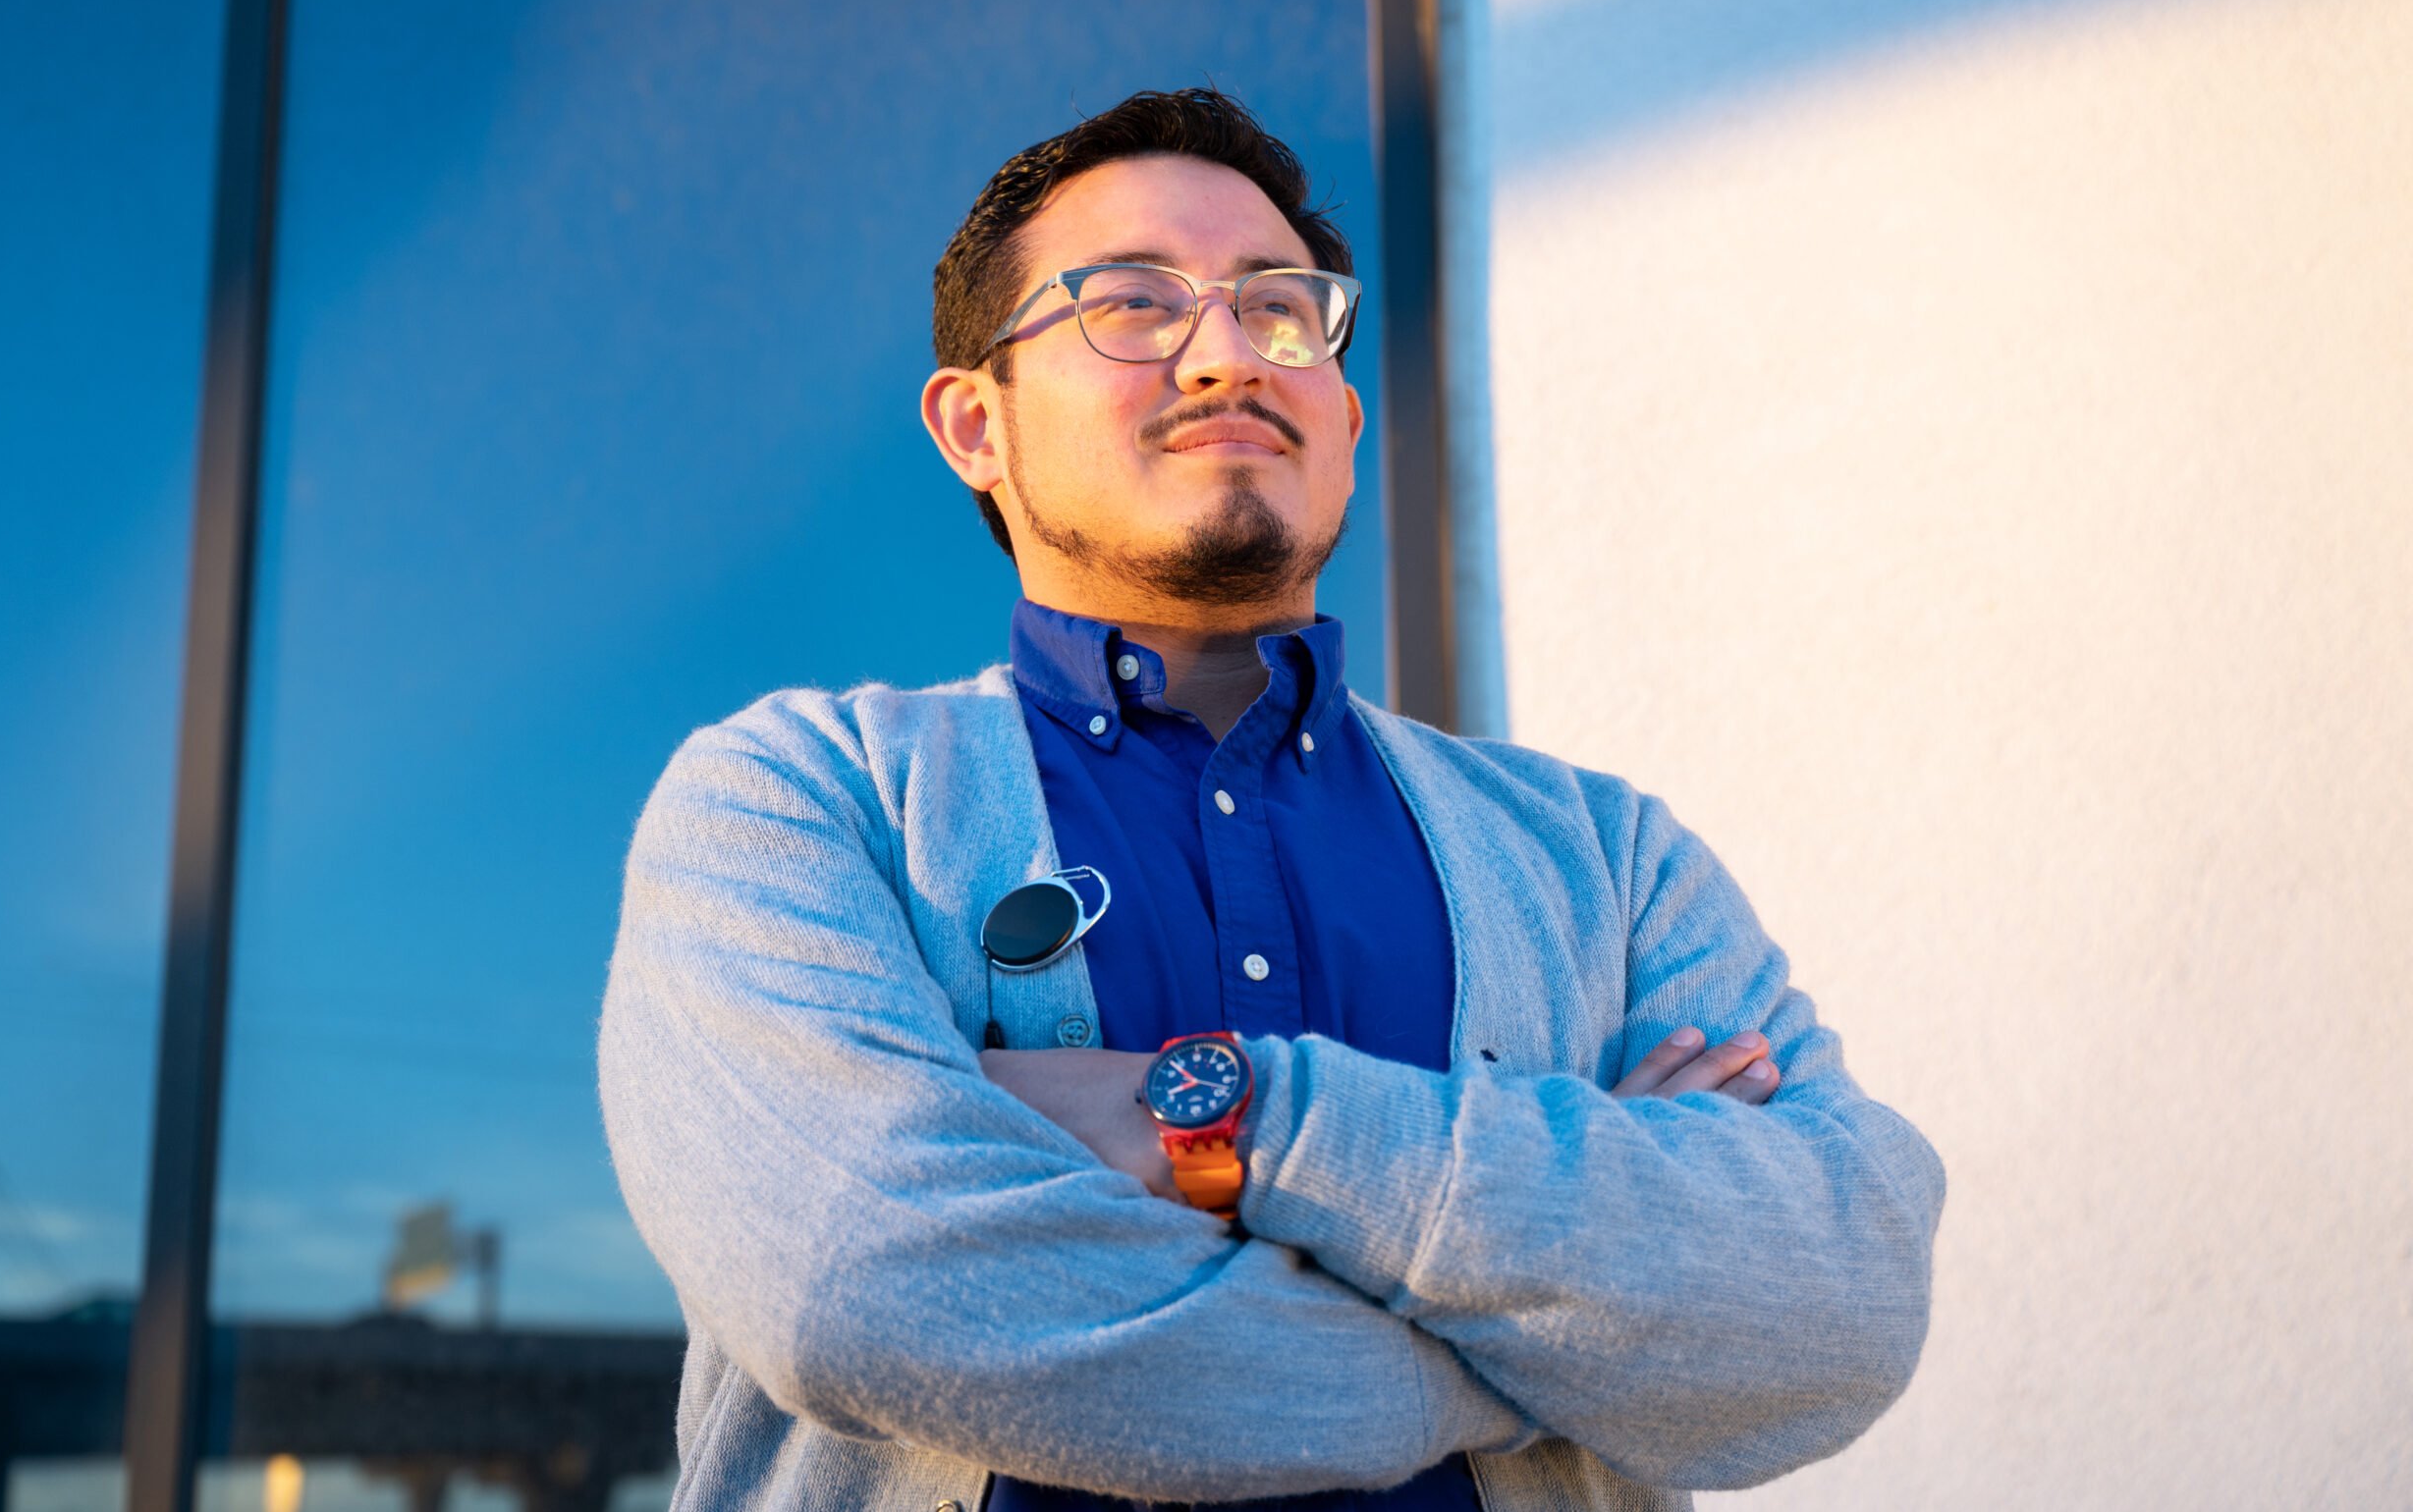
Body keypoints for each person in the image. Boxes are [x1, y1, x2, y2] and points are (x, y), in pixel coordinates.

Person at [597, 88, 1945, 1512]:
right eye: (1129, 304)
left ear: (1344, 412)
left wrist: (1231, 1115)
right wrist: (1563, 1346)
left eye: (1280, 311)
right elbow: (857, 1278)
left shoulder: (1602, 858)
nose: (1224, 355)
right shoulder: (803, 800)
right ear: (974, 425)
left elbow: (1836, 1295)